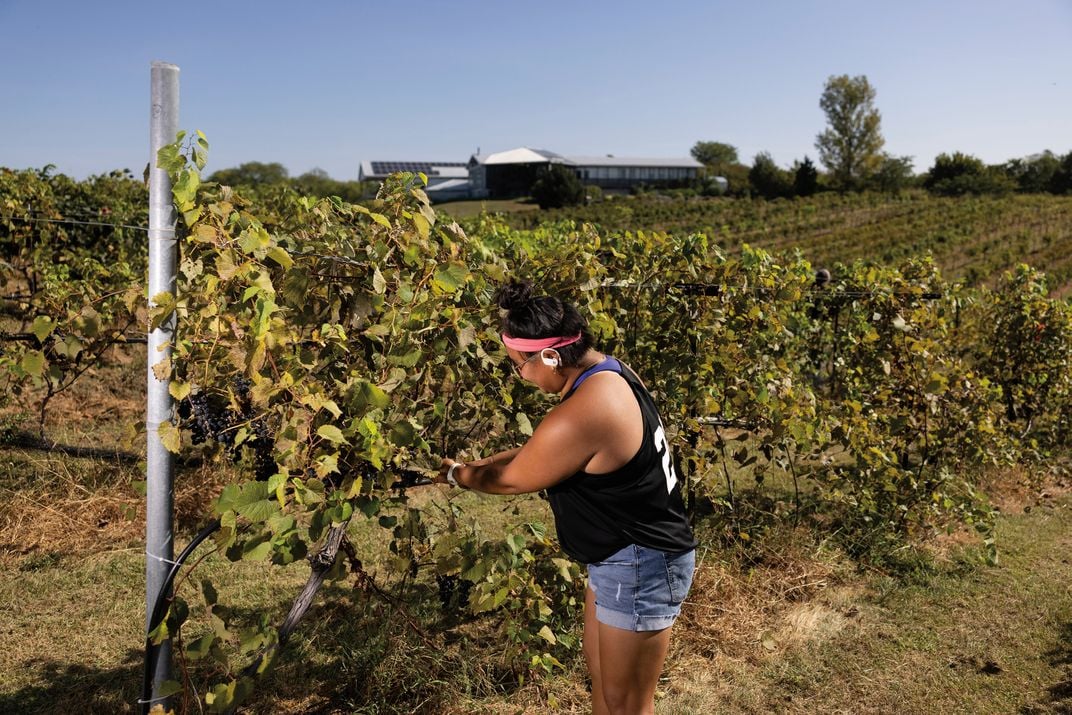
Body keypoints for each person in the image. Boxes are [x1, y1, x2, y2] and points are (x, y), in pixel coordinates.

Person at [437, 281, 697, 715]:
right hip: (618, 557)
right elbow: (541, 452)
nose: (519, 375)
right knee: (604, 688)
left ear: (551, 357)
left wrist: (457, 475)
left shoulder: (587, 410)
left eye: (520, 365)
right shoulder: (609, 374)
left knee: (627, 705)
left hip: (641, 561)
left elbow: (512, 479)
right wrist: (473, 463)